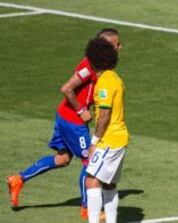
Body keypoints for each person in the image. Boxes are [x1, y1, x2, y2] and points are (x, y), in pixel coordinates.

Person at [6, 28, 121, 220]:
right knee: (89, 163)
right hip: (72, 121)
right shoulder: (90, 66)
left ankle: (18, 179)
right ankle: (86, 208)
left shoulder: (100, 65)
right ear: (107, 46)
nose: (120, 47)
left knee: (62, 159)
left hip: (65, 116)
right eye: (117, 44)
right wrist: (81, 110)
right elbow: (67, 88)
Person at [84, 37, 129, 223]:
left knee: (91, 180)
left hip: (109, 140)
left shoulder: (105, 82)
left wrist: (94, 142)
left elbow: (104, 115)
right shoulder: (114, 78)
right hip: (118, 139)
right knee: (109, 184)